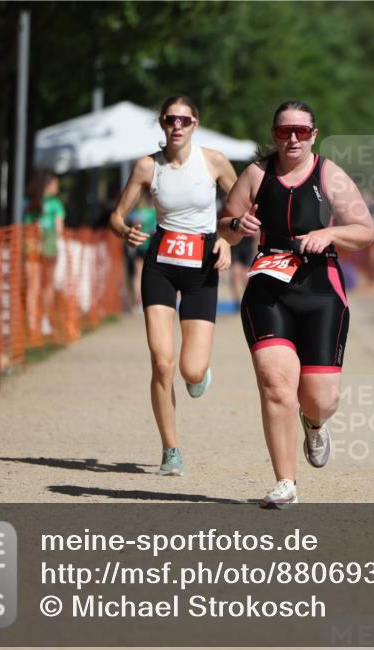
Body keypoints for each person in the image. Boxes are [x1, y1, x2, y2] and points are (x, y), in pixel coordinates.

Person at [219, 100, 374, 509]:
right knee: (275, 384)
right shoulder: (256, 175)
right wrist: (236, 225)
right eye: (284, 131)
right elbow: (224, 228)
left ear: (313, 135)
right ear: (274, 135)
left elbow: (365, 231)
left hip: (320, 289)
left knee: (320, 398)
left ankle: (315, 424)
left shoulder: (329, 174)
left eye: (301, 131)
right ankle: (285, 482)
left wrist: (331, 233)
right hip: (268, 289)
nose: (293, 138)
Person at [108, 95, 237, 476]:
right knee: (162, 362)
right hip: (160, 265)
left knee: (191, 371)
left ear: (195, 124)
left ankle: (199, 373)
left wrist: (227, 240)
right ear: (162, 123)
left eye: (184, 120)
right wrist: (125, 232)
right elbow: (116, 217)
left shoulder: (214, 161)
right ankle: (170, 449)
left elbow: (243, 210)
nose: (177, 126)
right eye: (170, 119)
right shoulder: (148, 166)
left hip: (201, 267)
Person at [24, 172, 65, 337]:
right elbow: (59, 230)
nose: (57, 188)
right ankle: (46, 322)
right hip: (49, 248)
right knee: (47, 287)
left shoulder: (30, 203)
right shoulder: (56, 204)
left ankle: (32, 324)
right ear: (48, 185)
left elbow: (27, 227)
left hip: (32, 247)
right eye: (55, 184)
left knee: (32, 287)